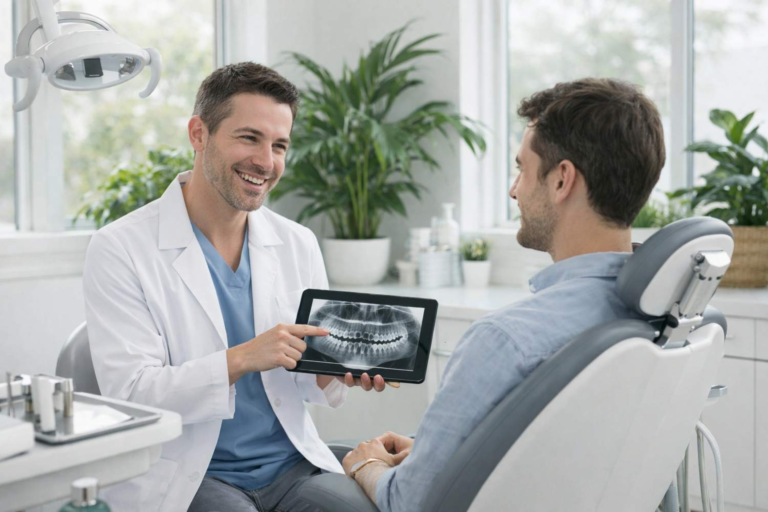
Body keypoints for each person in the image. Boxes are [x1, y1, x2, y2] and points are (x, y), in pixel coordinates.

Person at [340, 77, 667, 512]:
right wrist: (432, 453)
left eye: (522, 169)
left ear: (561, 180)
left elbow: (411, 502)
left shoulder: (505, 341)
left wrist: (366, 465)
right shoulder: (659, 318)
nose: (514, 189)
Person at [83, 62, 387, 512]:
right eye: (249, 138)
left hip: (290, 467)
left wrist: (333, 370)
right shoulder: (120, 247)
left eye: (279, 145)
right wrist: (242, 358)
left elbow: (308, 390)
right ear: (198, 134)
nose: (266, 162)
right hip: (193, 472)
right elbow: (132, 395)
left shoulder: (297, 243)